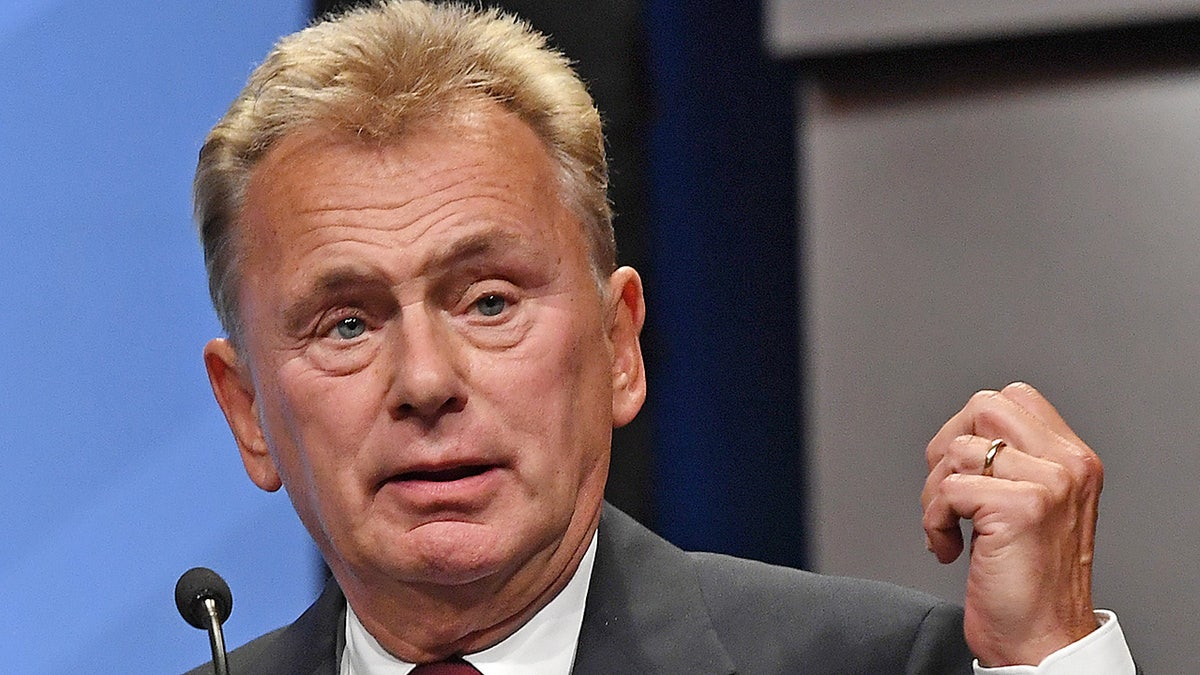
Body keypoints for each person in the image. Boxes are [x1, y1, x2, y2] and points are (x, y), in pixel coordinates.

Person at [186, 2, 1135, 673]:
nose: (426, 380)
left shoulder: (884, 665)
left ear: (619, 347)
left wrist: (1048, 661)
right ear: (248, 413)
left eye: (488, 302)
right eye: (347, 322)